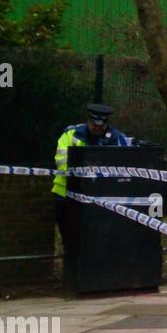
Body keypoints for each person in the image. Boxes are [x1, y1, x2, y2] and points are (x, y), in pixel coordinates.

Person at [53, 103, 131, 259]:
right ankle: (72, 266)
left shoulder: (117, 139)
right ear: (88, 121)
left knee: (96, 237)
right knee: (70, 236)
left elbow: (125, 167)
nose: (98, 128)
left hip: (101, 198)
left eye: (102, 125)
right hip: (66, 194)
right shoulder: (71, 134)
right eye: (94, 124)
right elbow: (61, 162)